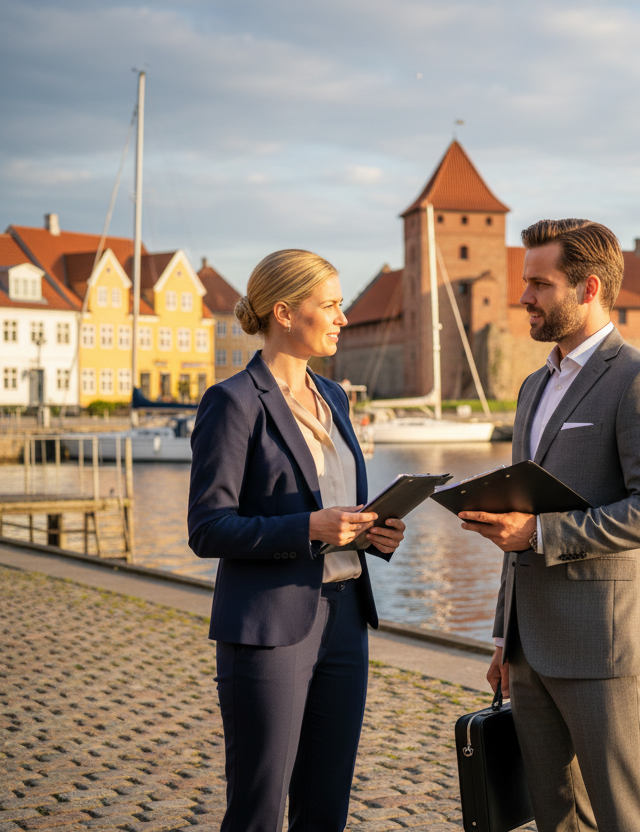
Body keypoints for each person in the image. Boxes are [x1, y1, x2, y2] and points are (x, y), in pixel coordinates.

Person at [459, 219, 640, 831]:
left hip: (605, 646)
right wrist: (504, 637)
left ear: (588, 288)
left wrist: (540, 535)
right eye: (523, 282)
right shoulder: (534, 386)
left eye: (539, 284)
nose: (524, 297)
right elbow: (522, 507)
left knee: (625, 818)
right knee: (555, 817)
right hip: (530, 647)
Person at [187, 249, 406, 831]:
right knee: (260, 808)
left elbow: (338, 506)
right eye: (330, 305)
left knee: (326, 803)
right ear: (284, 312)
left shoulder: (335, 397)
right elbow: (207, 529)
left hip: (346, 620)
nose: (342, 317)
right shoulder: (232, 403)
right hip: (269, 626)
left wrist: (375, 532)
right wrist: (310, 529)